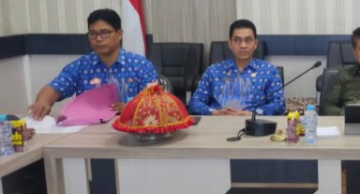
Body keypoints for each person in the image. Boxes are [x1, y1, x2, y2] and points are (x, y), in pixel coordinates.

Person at [28, 9, 158, 119]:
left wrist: (132, 108)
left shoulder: (140, 65)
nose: (98, 39)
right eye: (93, 34)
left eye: (105, 33)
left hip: (129, 127)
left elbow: (156, 101)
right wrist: (42, 103)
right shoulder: (81, 66)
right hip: (88, 129)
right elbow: (54, 88)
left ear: (119, 34)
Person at [189, 19, 284, 116]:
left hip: (252, 121)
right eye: (237, 40)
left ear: (255, 44)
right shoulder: (213, 71)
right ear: (230, 44)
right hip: (218, 120)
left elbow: (279, 104)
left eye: (248, 40)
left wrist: (252, 113)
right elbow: (195, 103)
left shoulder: (269, 71)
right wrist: (215, 112)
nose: (243, 45)